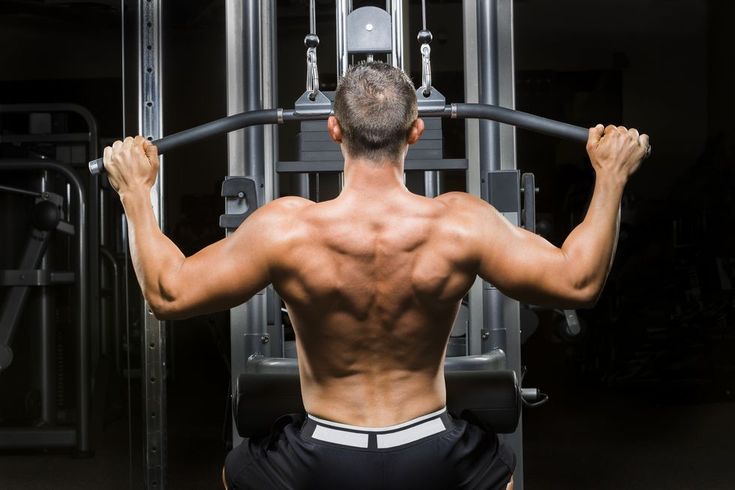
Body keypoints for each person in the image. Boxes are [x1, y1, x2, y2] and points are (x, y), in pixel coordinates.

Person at [103, 61, 649, 490]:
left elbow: (167, 293)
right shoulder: (460, 224)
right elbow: (579, 282)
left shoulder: (286, 229)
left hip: (321, 457)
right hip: (430, 449)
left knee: (236, 472)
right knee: (497, 474)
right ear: (415, 132)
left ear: (334, 129)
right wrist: (610, 176)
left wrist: (136, 193)